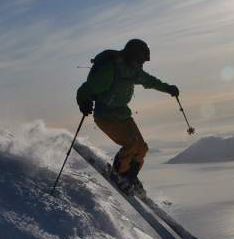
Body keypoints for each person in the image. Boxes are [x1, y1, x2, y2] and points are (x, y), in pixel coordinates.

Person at [76, 38, 179, 193]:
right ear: (131, 56)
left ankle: (130, 176)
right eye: (140, 61)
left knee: (141, 148)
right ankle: (120, 173)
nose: (141, 65)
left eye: (142, 62)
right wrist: (84, 102)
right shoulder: (111, 70)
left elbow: (150, 81)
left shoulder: (133, 71)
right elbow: (85, 89)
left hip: (122, 113)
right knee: (131, 143)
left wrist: (168, 88)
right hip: (106, 115)